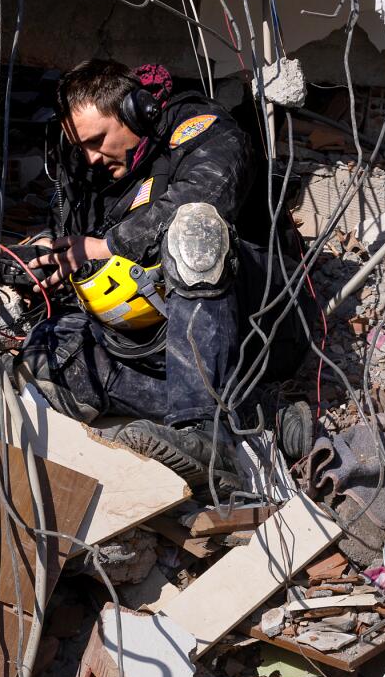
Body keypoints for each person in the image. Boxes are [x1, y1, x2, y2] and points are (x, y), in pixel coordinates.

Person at [16, 58, 307, 484]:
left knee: (195, 229)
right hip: (159, 341)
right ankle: (253, 415)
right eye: (81, 147)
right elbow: (91, 247)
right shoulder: (96, 174)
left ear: (137, 111)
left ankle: (204, 432)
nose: (91, 157)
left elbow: (207, 196)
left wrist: (106, 245)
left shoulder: (205, 130)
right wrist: (59, 262)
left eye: (98, 140)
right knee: (53, 353)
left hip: (253, 320)